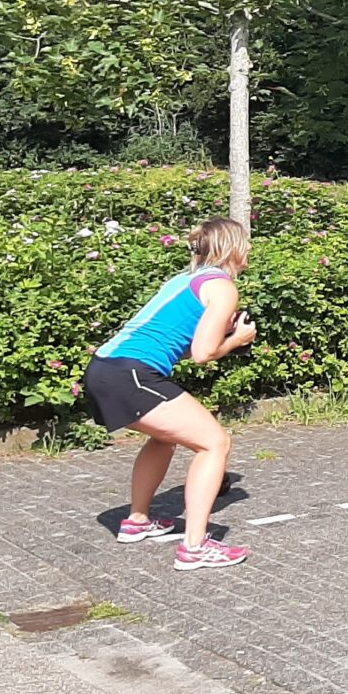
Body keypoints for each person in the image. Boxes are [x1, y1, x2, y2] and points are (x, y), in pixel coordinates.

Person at [84, 218, 256, 571]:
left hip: (105, 368)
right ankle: (194, 547)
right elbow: (203, 353)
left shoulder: (185, 280)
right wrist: (236, 340)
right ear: (233, 247)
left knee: (165, 438)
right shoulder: (222, 287)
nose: (251, 249)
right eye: (247, 243)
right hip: (129, 372)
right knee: (214, 443)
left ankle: (137, 521)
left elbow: (174, 339)